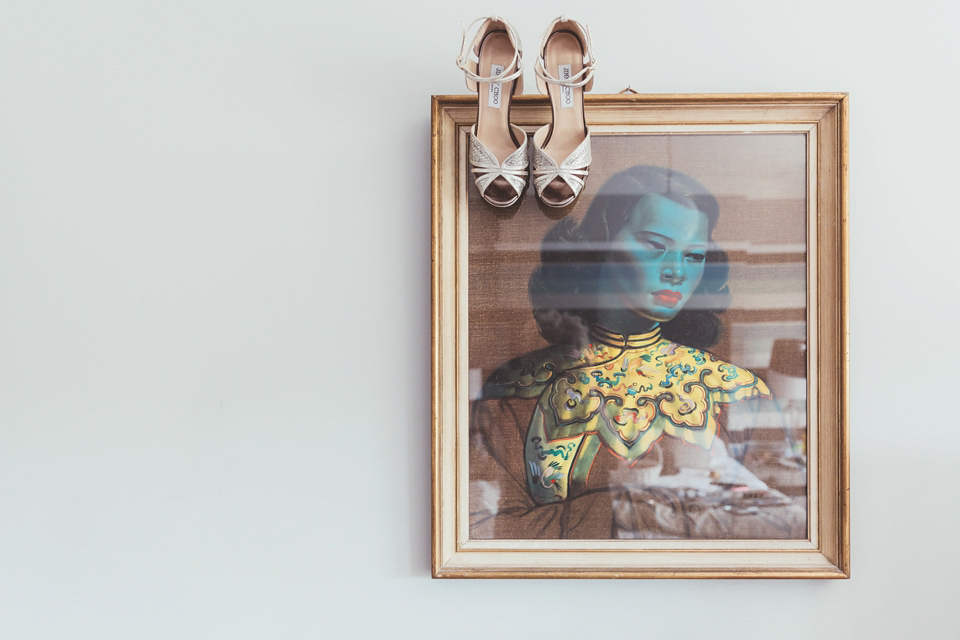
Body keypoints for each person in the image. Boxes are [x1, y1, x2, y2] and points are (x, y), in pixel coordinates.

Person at [470, 165, 806, 539]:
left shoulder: (734, 388)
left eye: (694, 255)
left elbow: (787, 522)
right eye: (655, 247)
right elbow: (485, 531)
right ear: (601, 243)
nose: (676, 271)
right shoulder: (517, 390)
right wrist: (623, 509)